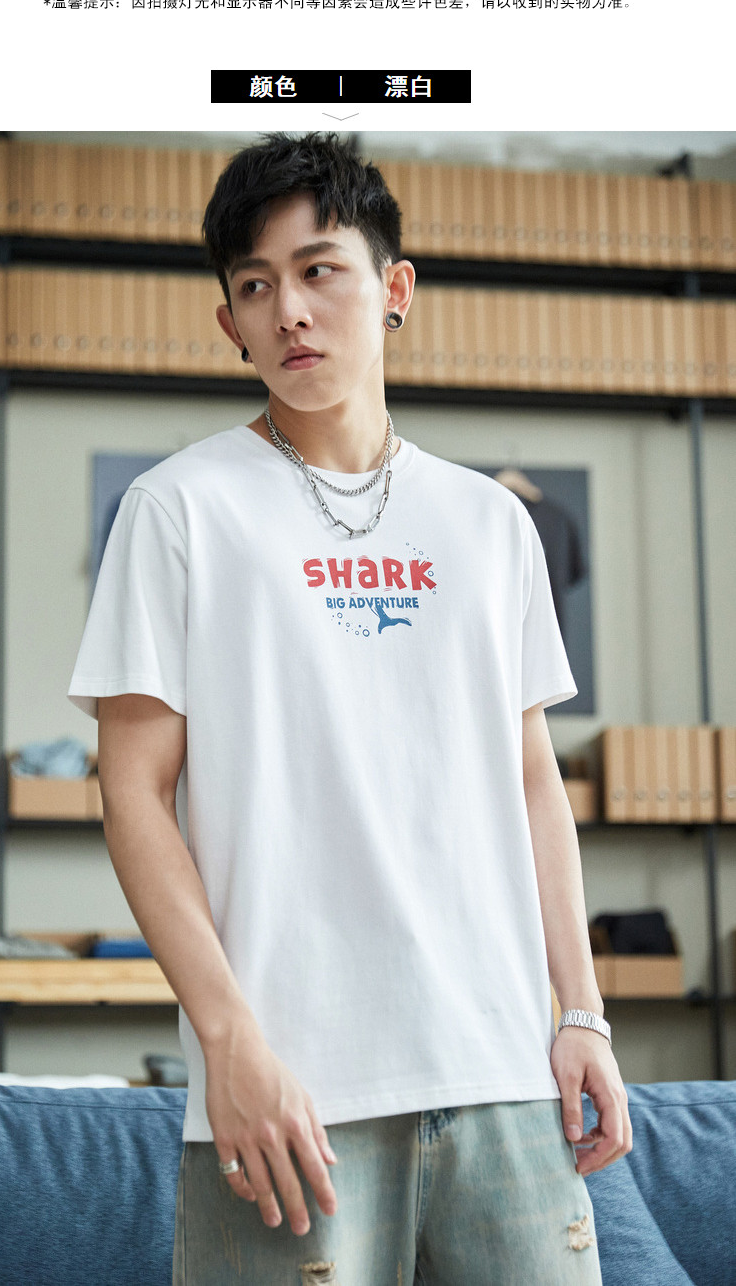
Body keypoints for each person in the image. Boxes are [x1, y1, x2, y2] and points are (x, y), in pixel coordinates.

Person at [68, 132, 632, 1285]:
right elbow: (132, 793)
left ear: (394, 287)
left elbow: (532, 782)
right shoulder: (176, 511)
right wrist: (228, 1039)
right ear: (229, 322)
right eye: (254, 285)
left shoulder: (492, 525)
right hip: (287, 1090)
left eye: (319, 270)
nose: (289, 310)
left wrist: (581, 1011)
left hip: (503, 1074)